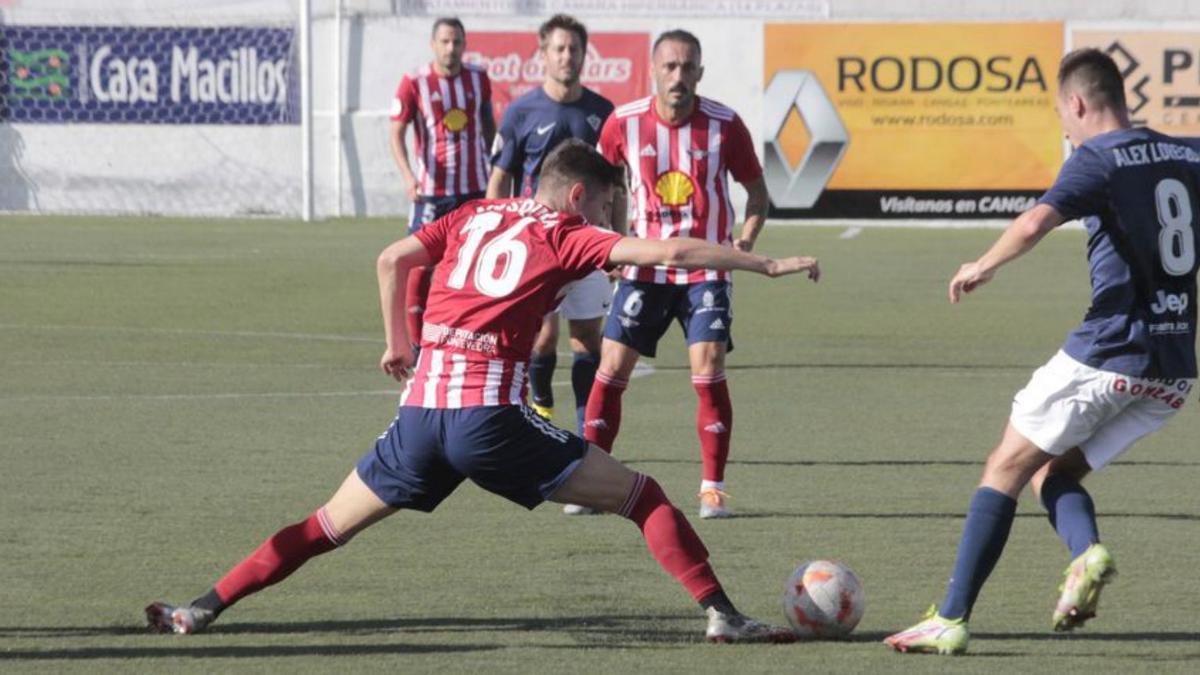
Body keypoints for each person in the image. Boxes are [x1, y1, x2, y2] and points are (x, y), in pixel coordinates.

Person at [145, 140, 821, 643]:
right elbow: (670, 255)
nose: (615, 216)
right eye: (611, 202)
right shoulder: (565, 233)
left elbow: (392, 259)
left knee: (324, 525)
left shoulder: (473, 214)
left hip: (418, 417)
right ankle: (724, 614)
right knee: (642, 496)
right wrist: (762, 261)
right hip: (487, 420)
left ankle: (200, 605)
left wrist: (397, 343)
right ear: (581, 196)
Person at [884, 48, 1198, 656]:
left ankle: (949, 617)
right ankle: (1086, 554)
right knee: (1052, 474)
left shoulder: (1095, 158)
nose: (1063, 126)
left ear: (1078, 103)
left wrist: (983, 264)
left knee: (1004, 466)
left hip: (1110, 351)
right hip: (1174, 366)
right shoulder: (1187, 152)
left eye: (1062, 114)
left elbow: (1033, 223)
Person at [584, 29, 775, 519]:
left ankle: (713, 488)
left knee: (708, 368)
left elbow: (757, 193)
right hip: (645, 269)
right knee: (611, 368)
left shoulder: (725, 126)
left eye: (687, 67)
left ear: (700, 73)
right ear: (653, 71)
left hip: (705, 272)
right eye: (669, 67)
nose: (678, 76)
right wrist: (610, 243)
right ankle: (588, 479)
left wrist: (743, 245)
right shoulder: (622, 124)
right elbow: (598, 187)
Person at [487, 14, 617, 448]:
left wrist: (618, 240)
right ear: (543, 54)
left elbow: (619, 185)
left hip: (586, 244)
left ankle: (586, 432)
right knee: (542, 337)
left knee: (586, 337)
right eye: (559, 49)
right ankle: (540, 404)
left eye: (574, 49)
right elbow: (501, 177)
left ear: (584, 55)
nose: (567, 56)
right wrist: (491, 230)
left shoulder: (603, 113)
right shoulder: (521, 111)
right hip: (535, 244)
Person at [389, 16, 495, 350]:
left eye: (457, 42)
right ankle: (417, 344)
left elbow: (489, 126)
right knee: (420, 266)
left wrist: (496, 170)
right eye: (445, 42)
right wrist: (409, 175)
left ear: (465, 45)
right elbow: (396, 132)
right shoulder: (414, 82)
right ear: (433, 44)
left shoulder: (479, 79)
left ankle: (470, 335)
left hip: (474, 189)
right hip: (432, 193)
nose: (452, 48)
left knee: (477, 265)